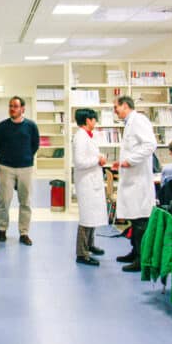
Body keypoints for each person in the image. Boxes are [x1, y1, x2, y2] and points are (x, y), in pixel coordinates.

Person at [112, 96, 157, 272]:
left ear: (125, 105)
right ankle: (134, 252)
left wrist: (129, 161)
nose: (115, 110)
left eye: (116, 107)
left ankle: (141, 258)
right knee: (134, 219)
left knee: (140, 222)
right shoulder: (129, 123)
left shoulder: (139, 121)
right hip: (131, 179)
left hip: (139, 181)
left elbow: (150, 145)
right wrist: (122, 161)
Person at [0, 96, 39, 246]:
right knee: (4, 201)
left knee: (25, 202)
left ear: (22, 109)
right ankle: (2, 229)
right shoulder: (1, 127)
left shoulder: (31, 126)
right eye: (10, 106)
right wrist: (5, 158)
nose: (12, 109)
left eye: (15, 106)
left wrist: (25, 157)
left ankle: (24, 233)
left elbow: (35, 145)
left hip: (25, 167)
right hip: (6, 168)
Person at [73, 108, 108, 266]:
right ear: (88, 120)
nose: (95, 122)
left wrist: (98, 158)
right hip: (86, 182)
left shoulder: (89, 136)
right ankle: (82, 253)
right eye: (94, 119)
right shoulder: (80, 137)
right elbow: (79, 162)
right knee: (87, 218)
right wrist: (97, 160)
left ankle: (90, 244)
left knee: (93, 216)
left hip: (93, 180)